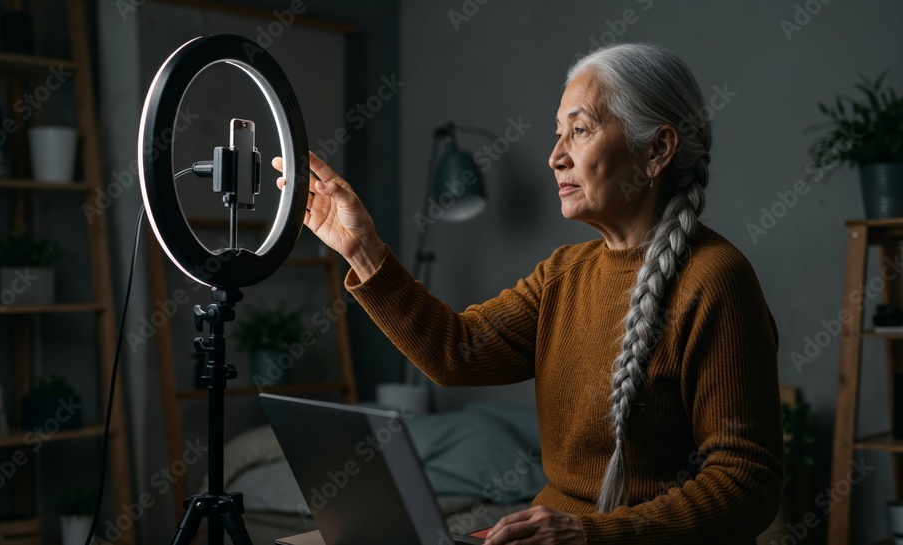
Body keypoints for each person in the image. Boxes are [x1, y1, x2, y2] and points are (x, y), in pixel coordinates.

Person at [274, 43, 783, 545]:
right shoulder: (563, 273)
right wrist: (362, 249)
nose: (555, 157)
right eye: (558, 133)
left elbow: (746, 486)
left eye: (579, 131)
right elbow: (455, 352)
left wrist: (589, 534)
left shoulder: (717, 280)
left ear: (657, 150)